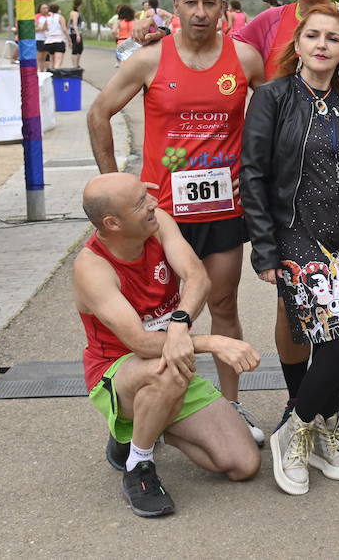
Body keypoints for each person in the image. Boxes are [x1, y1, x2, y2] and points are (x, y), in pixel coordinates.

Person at [87, 0, 267, 445]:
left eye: (210, 3)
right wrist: (117, 183)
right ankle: (142, 408)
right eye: (191, 2)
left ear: (224, 8)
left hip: (224, 210)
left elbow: (274, 115)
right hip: (161, 214)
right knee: (157, 316)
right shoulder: (149, 60)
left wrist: (256, 173)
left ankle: (230, 407)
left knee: (223, 303)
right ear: (176, 6)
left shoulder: (245, 59)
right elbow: (99, 112)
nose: (201, 12)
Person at [228, 0, 339, 445]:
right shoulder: (266, 25)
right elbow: (216, 51)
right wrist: (157, 42)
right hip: (296, 205)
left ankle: (326, 408)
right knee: (298, 314)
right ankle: (302, 407)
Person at [240, 3, 339, 494]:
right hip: (298, 231)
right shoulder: (272, 97)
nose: (321, 44)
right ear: (298, 43)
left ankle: (323, 429)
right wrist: (264, 248)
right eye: (313, 35)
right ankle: (297, 427)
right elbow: (253, 172)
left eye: (332, 38)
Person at [74, 173, 261, 518]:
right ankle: (139, 465)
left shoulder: (158, 223)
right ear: (112, 223)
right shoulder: (93, 268)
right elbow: (140, 343)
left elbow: (197, 276)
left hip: (168, 357)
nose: (153, 204)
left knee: (243, 464)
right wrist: (213, 342)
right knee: (167, 371)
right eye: (139, 203)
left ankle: (149, 425)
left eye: (147, 196)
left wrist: (178, 325)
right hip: (118, 370)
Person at [44, 2, 68, 69]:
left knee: (52, 61)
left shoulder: (47, 18)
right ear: (58, 9)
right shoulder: (60, 17)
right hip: (58, 40)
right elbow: (64, 29)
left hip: (49, 42)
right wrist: (69, 40)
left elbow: (45, 29)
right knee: (58, 62)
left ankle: (52, 76)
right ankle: (56, 77)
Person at [69, 0, 85, 67]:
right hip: (75, 33)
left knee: (80, 48)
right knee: (75, 49)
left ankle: (77, 64)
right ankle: (75, 65)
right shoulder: (75, 13)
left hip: (75, 32)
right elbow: (74, 24)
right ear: (79, 4)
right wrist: (78, 35)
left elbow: (69, 22)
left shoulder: (74, 12)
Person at [35, 3, 50, 70]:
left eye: (46, 8)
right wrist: (42, 28)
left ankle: (43, 70)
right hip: (39, 39)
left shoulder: (50, 16)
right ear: (40, 9)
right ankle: (39, 70)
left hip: (48, 39)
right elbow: (35, 28)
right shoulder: (37, 17)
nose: (45, 10)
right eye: (43, 8)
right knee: (39, 57)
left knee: (45, 57)